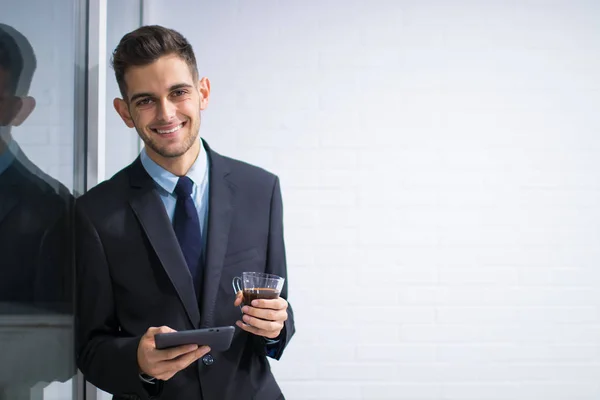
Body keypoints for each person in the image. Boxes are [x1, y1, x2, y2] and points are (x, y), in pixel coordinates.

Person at [75, 25, 295, 400]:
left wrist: (276, 327)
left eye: (178, 92)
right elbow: (89, 348)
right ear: (124, 112)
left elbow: (279, 315)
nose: (166, 113)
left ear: (202, 92)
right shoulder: (95, 212)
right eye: (145, 100)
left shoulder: (262, 190)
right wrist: (138, 362)